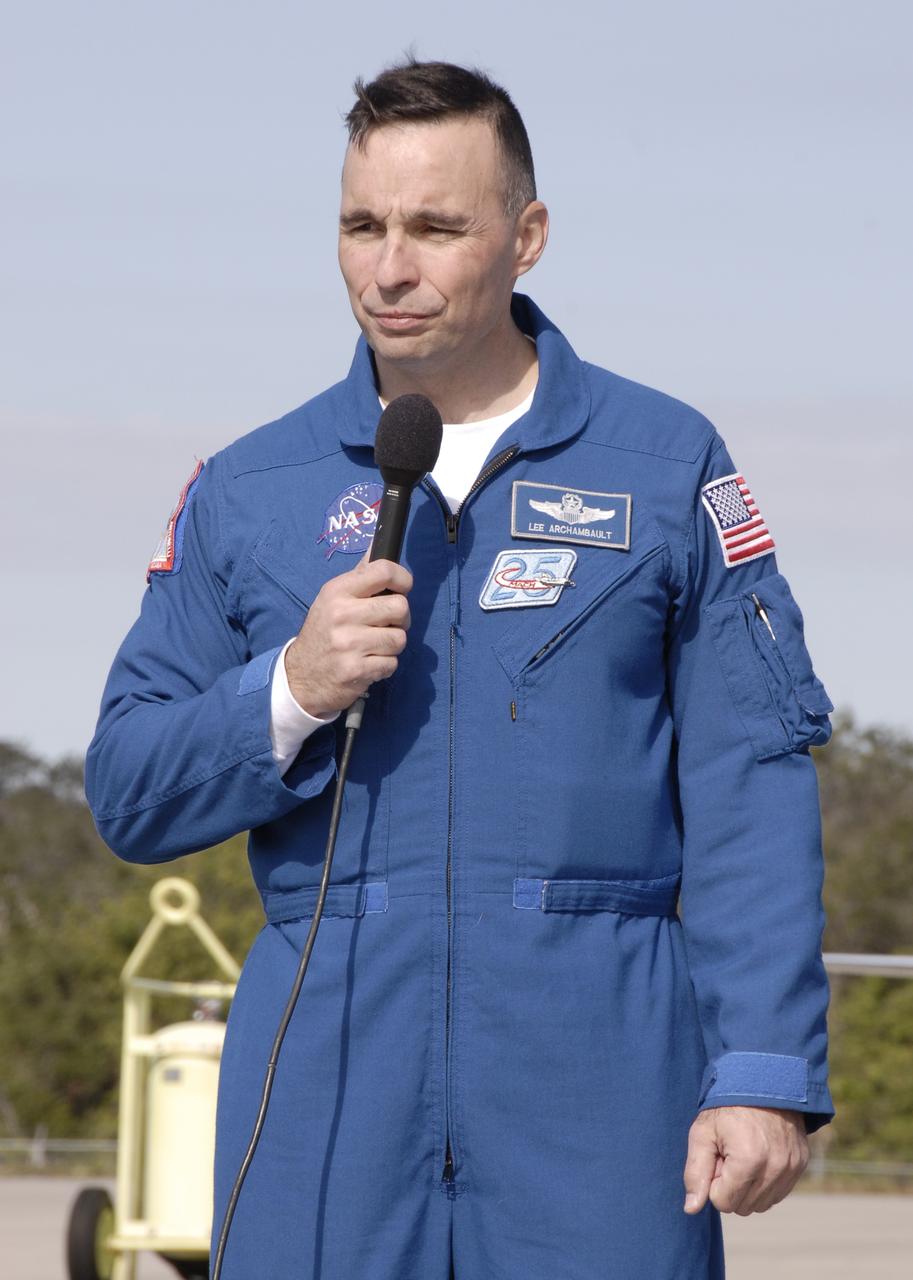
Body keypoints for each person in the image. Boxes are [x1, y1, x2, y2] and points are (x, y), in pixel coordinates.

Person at [86, 58, 835, 1280]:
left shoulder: (662, 461)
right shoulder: (250, 489)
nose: (391, 268)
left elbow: (752, 775)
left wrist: (760, 1070)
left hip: (600, 1073)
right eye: (362, 226)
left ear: (526, 235)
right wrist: (288, 692)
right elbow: (126, 783)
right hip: (323, 1076)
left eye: (437, 227)